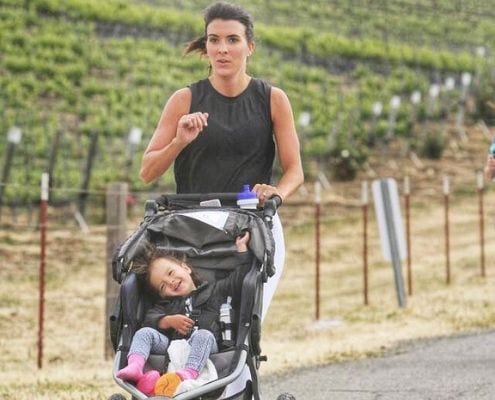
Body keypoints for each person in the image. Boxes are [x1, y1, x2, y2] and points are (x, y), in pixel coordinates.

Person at [139, 1, 304, 396]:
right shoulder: (185, 99)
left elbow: (295, 170)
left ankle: (228, 390)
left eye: (232, 40)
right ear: (206, 46)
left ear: (250, 46)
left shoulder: (272, 98)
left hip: (253, 229)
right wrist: (180, 140)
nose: (222, 49)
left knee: (239, 324)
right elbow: (147, 171)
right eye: (214, 40)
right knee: (195, 319)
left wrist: (275, 193)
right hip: (190, 234)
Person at [117, 232, 250, 397]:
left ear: (185, 267)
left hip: (208, 347)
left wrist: (242, 249)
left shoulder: (215, 290)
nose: (171, 282)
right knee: (143, 333)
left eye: (171, 273)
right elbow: (148, 320)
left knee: (204, 335)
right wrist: (167, 321)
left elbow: (240, 279)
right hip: (171, 347)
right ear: (162, 295)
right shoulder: (165, 305)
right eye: (162, 286)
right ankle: (136, 367)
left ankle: (187, 375)